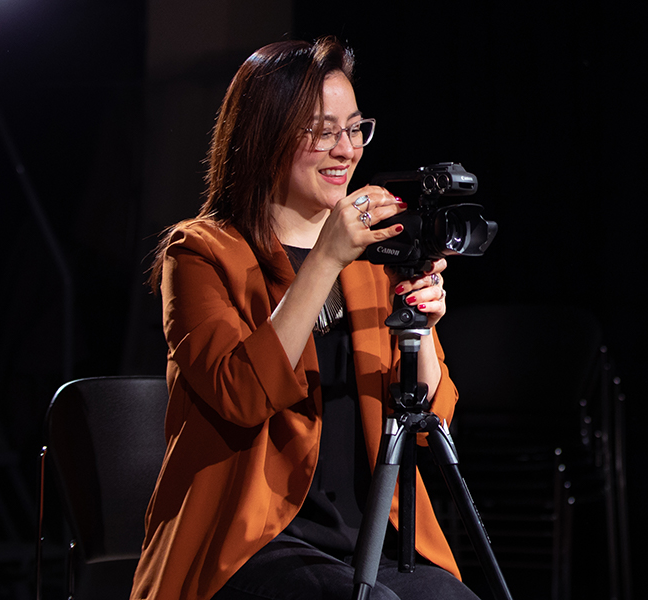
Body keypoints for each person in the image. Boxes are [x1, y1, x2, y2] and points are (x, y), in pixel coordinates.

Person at [132, 37, 479, 600]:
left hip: (369, 539)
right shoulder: (199, 255)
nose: (346, 150)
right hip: (251, 543)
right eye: (323, 131)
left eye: (354, 128)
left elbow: (428, 426)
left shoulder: (371, 257)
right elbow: (241, 393)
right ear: (265, 135)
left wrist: (422, 329)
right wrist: (325, 259)